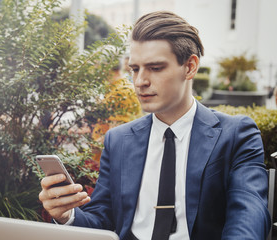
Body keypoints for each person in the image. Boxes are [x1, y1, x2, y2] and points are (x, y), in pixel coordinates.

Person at [39, 11, 271, 240]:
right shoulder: (118, 140)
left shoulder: (236, 134)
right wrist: (67, 214)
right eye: (135, 69)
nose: (140, 82)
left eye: (156, 68)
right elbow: (102, 222)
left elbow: (249, 217)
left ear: (190, 67)